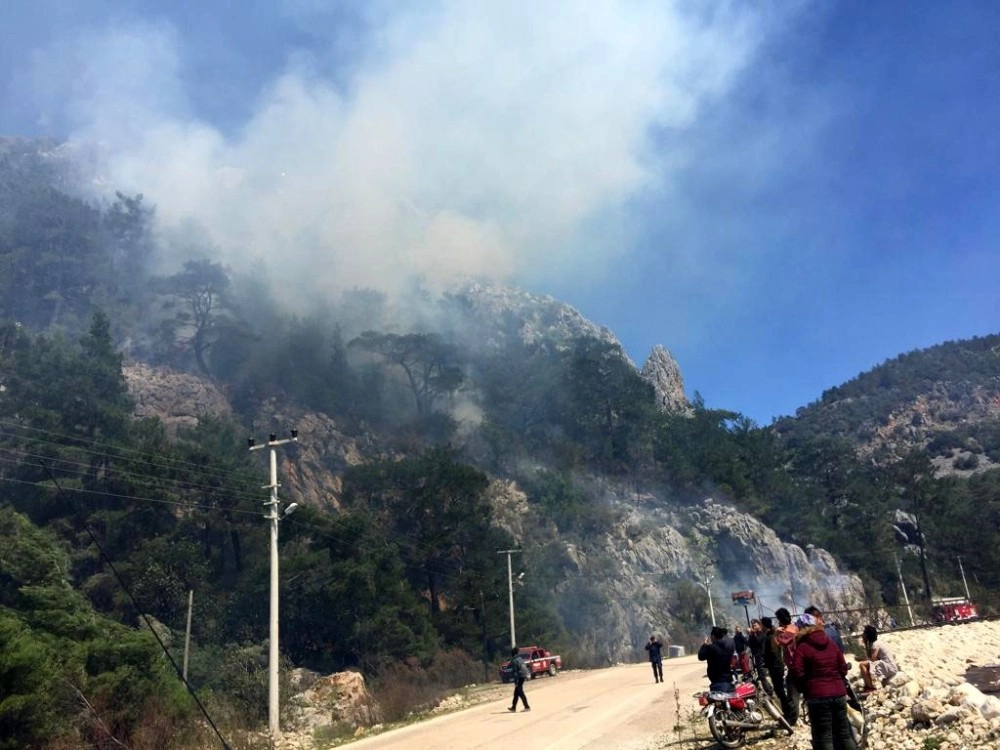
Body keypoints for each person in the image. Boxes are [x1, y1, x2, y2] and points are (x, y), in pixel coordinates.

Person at [788, 613, 857, 750]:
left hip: (817, 696)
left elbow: (796, 671)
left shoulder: (802, 647)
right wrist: (837, 680)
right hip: (839, 694)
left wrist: (805, 688)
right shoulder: (830, 642)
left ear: (801, 629)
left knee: (825, 736)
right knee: (845, 734)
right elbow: (843, 667)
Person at [774, 607, 800, 725]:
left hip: (794, 666)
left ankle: (792, 720)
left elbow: (777, 643)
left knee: (792, 696)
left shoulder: (786, 633)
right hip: (799, 664)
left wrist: (776, 632)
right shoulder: (795, 628)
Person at [858, 625, 898, 693]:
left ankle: (871, 687)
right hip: (886, 665)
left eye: (864, 633)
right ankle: (869, 684)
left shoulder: (875, 644)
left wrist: (864, 644)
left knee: (862, 665)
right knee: (866, 665)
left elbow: (872, 660)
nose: (863, 634)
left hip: (888, 666)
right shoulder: (875, 643)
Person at [698, 626, 736, 693]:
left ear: (713, 636)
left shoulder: (711, 648)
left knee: (720, 701)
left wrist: (704, 645)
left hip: (718, 682)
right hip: (729, 680)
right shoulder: (729, 646)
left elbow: (700, 656)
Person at [508, 647, 531, 712]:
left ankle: (527, 707)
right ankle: (513, 707)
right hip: (523, 676)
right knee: (516, 693)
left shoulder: (514, 660)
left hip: (519, 677)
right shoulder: (520, 659)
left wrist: (516, 681)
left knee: (520, 692)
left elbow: (515, 672)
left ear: (512, 653)